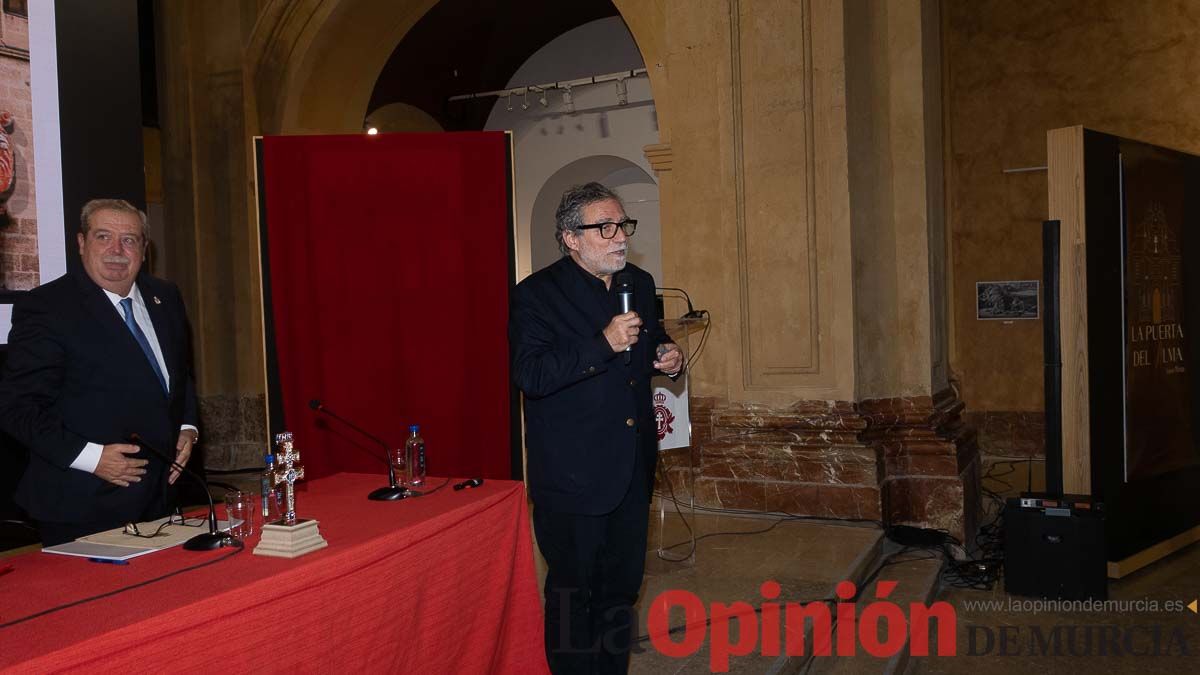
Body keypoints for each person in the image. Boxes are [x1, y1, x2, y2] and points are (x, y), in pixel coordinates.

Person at [509, 182, 683, 673]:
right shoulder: (536, 296)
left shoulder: (641, 283)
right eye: (603, 228)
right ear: (570, 238)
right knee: (573, 598)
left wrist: (666, 358)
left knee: (620, 594)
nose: (618, 237)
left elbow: (650, 344)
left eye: (623, 225)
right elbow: (532, 376)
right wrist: (602, 342)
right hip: (572, 478)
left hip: (630, 469)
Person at [0, 199, 199, 545]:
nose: (116, 251)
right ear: (81, 243)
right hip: (83, 505)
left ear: (144, 248)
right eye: (103, 237)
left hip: (160, 500)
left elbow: (179, 376)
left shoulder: (164, 297)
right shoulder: (47, 308)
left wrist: (186, 427)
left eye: (129, 240)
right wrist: (93, 458)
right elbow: (18, 409)